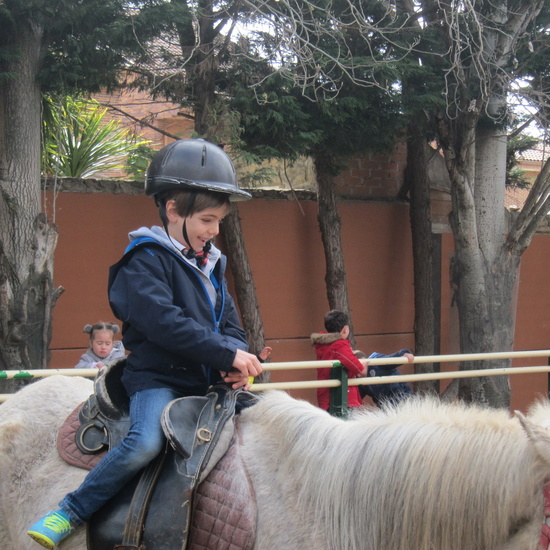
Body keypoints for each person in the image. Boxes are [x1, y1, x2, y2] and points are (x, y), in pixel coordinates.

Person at [27, 139, 263, 549]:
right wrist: (223, 352)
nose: (213, 231)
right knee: (145, 443)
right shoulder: (145, 259)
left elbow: (229, 322)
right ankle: (70, 511)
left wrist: (234, 362)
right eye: (207, 220)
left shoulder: (212, 262)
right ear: (173, 210)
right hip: (158, 379)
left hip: (206, 382)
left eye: (219, 222)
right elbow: (165, 324)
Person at [311, 310, 366, 411]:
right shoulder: (340, 346)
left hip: (326, 398)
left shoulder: (323, 345)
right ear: (345, 329)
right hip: (343, 399)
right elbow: (360, 369)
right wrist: (365, 362)